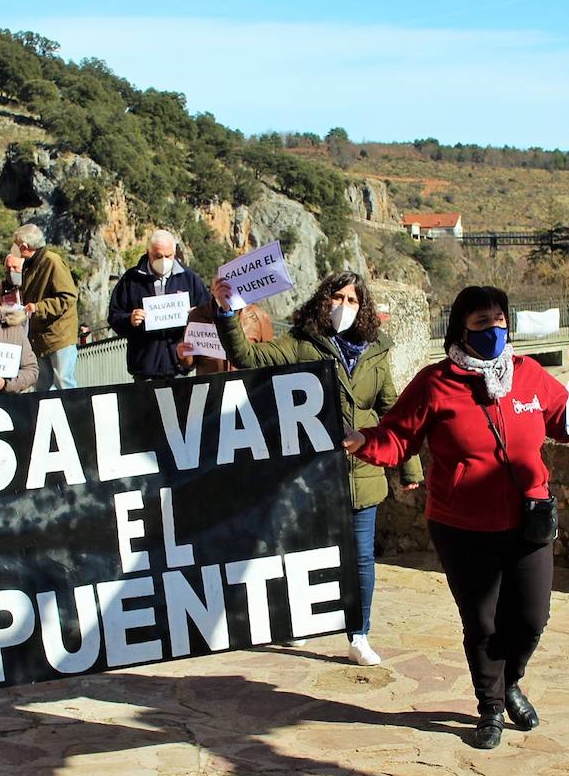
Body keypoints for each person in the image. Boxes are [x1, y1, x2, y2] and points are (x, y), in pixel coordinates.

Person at [343, 285, 569, 749]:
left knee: (532, 617)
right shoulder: (435, 383)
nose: (494, 329)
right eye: (481, 323)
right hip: (461, 527)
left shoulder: (529, 376)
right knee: (483, 624)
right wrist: (364, 444)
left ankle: (511, 679)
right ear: (461, 329)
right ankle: (491, 708)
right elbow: (399, 437)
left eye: (499, 320)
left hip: (528, 519)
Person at [214, 270, 424, 666]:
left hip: (361, 471)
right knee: (304, 550)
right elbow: (248, 357)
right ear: (322, 300)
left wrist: (409, 467)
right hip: (311, 474)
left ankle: (358, 633)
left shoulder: (376, 351)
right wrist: (228, 313)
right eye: (337, 297)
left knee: (361, 557)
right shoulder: (301, 344)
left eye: (352, 300)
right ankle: (300, 622)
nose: (343, 306)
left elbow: (391, 412)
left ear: (363, 308)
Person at [108, 229, 213, 382]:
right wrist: (129, 319)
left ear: (175, 252)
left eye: (168, 256)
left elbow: (208, 313)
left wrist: (196, 314)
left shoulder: (189, 279)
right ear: (148, 253)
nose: (163, 260)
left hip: (180, 368)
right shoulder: (131, 280)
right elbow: (114, 316)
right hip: (144, 369)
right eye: (158, 256)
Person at [13, 224, 79, 391]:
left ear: (24, 246)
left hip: (59, 335)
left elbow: (68, 297)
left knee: (64, 382)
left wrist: (38, 308)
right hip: (40, 337)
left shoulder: (52, 262)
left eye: (16, 244)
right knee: (42, 387)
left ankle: (75, 415)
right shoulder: (30, 265)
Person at [176, 299, 274, 375]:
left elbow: (269, 360)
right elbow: (190, 363)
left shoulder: (258, 316)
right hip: (210, 389)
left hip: (246, 391)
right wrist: (183, 355)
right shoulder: (197, 315)